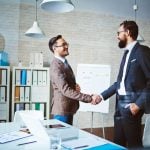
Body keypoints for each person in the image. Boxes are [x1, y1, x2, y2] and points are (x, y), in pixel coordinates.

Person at [99, 20, 150, 149]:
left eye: (119, 32)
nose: (117, 36)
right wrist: (101, 96)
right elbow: (119, 83)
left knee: (134, 145)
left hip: (132, 105)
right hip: (119, 103)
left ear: (127, 32)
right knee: (118, 142)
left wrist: (138, 105)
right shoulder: (126, 53)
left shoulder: (143, 51)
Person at [49, 35, 101, 125]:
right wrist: (90, 98)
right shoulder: (56, 66)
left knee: (68, 138)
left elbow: (65, 85)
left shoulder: (64, 63)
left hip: (68, 109)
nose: (67, 46)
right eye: (63, 44)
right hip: (61, 112)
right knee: (62, 138)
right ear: (55, 48)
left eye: (66, 44)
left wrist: (74, 86)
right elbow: (65, 90)